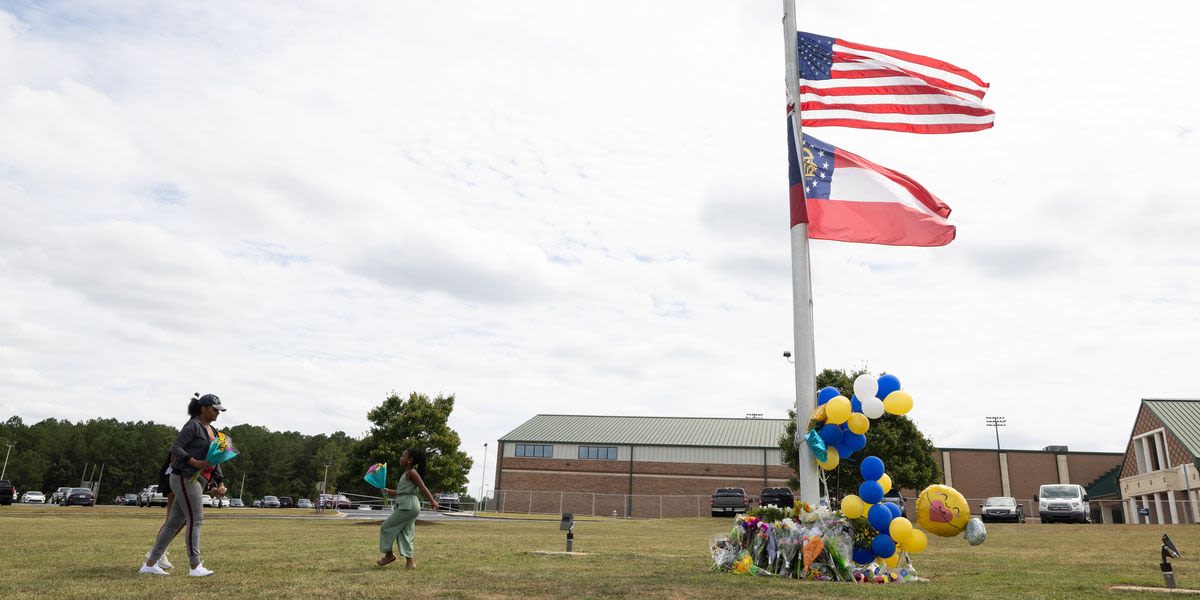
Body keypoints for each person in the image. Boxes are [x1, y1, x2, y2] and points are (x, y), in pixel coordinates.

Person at [140, 393, 228, 577]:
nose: (217, 413)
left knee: (173, 523)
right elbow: (176, 448)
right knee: (196, 520)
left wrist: (220, 481)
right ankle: (195, 566)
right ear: (203, 408)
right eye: (214, 410)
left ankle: (149, 564)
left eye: (219, 411)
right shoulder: (193, 426)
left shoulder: (213, 431)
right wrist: (193, 461)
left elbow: (215, 460)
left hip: (198, 480)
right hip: (185, 477)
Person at [377, 448, 439, 569]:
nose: (400, 458)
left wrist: (432, 501)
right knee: (404, 533)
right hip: (408, 505)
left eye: (403, 456)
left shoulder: (412, 473)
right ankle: (410, 563)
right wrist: (390, 491)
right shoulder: (406, 474)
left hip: (408, 506)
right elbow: (402, 492)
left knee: (386, 527)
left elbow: (423, 487)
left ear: (409, 460)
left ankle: (389, 555)